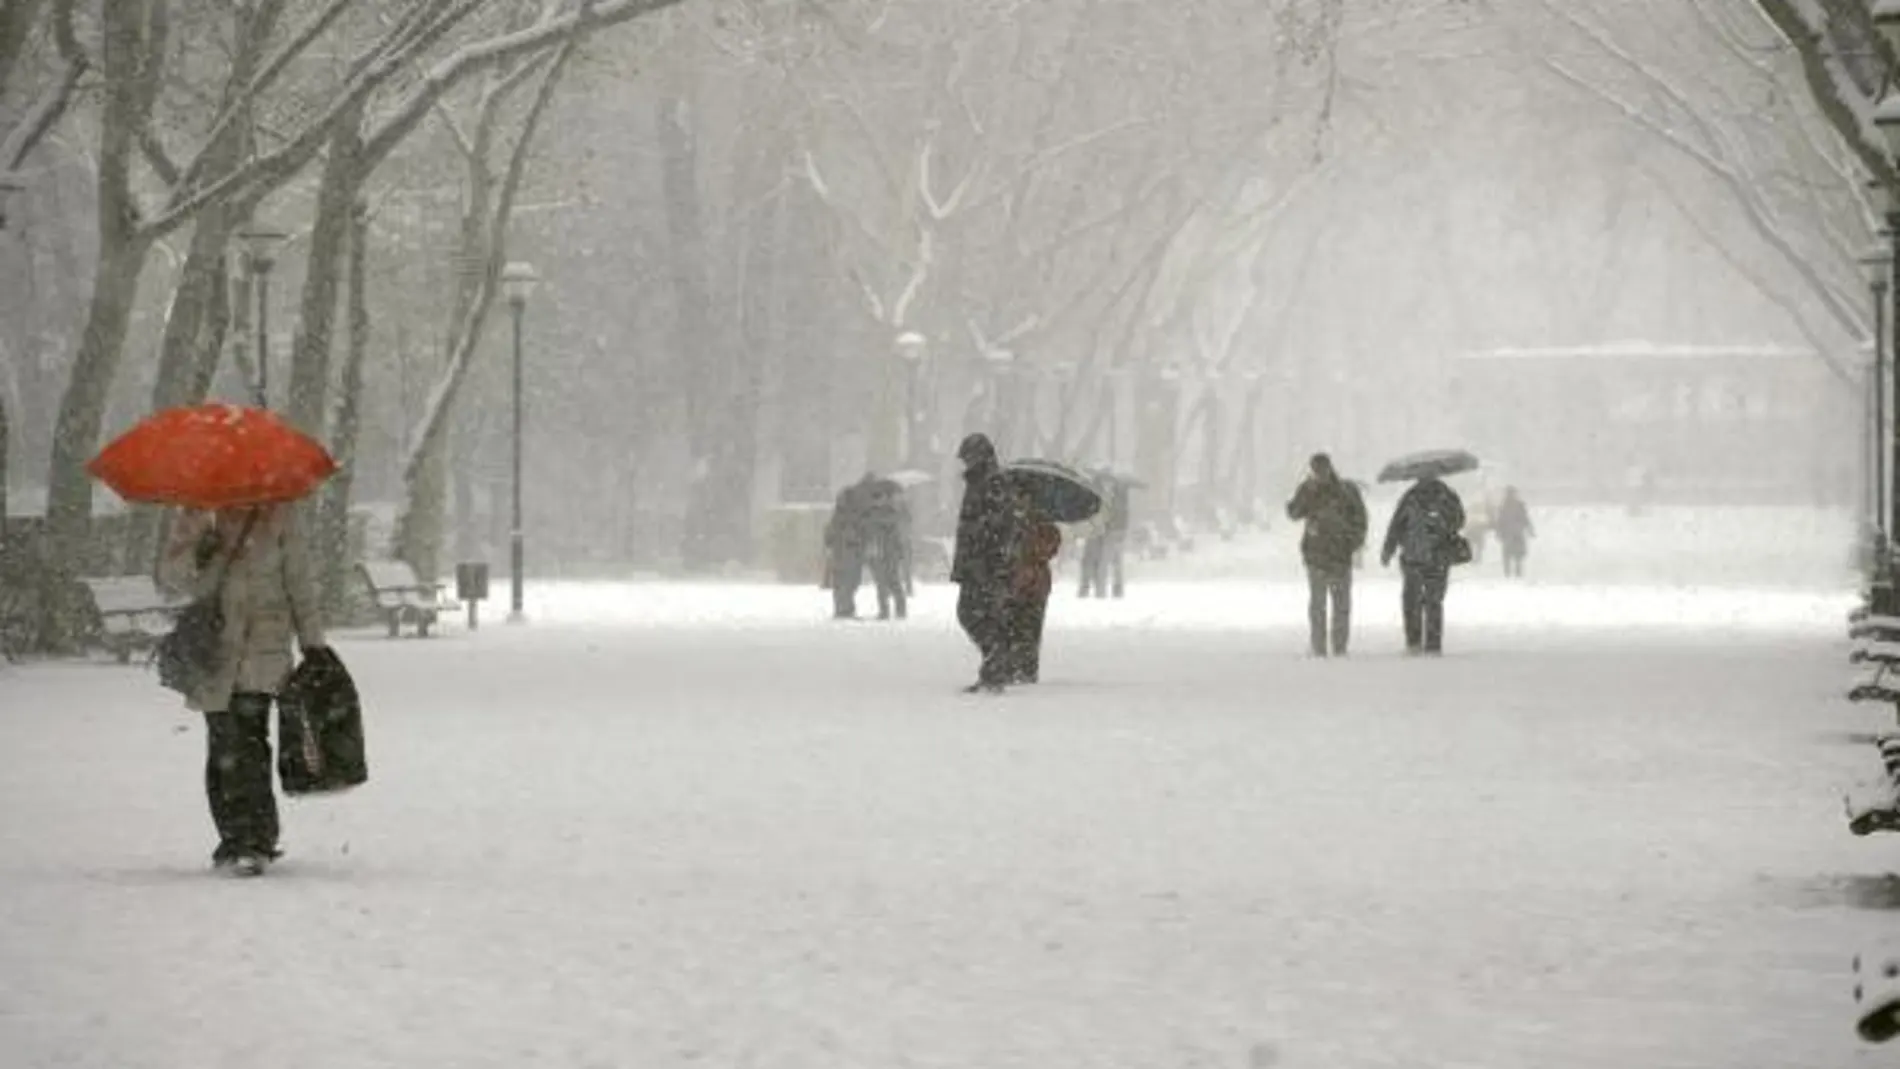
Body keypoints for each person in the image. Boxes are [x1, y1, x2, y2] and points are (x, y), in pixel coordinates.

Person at [158, 503, 327, 876]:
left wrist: (314, 645)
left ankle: (255, 839)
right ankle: (233, 837)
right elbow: (175, 582)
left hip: (262, 650)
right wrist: (192, 540)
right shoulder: (198, 515)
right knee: (221, 747)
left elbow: (300, 585)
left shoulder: (280, 517)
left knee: (247, 741)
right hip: (213, 651)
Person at [951, 434, 1020, 692]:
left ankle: (996, 665)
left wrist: (980, 539)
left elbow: (1000, 523)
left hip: (986, 562)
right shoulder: (979, 481)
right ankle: (994, 666)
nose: (965, 462)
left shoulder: (993, 482)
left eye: (969, 457)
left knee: (975, 614)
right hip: (976, 561)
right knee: (975, 614)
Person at [1285, 453, 1367, 657]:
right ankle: (1331, 646)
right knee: (1333, 604)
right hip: (1328, 554)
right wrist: (1352, 542)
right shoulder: (1342, 490)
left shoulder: (1342, 491)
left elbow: (1294, 513)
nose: (1320, 474)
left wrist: (1351, 542)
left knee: (1325, 604)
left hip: (1322, 553)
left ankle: (1326, 646)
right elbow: (1295, 513)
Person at [1380, 474, 1466, 656]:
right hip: (1426, 557)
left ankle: (1422, 643)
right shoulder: (1442, 496)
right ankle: (1422, 643)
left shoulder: (1416, 497)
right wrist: (1389, 548)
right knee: (1423, 602)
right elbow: (1397, 525)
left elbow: (1397, 525)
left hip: (1424, 556)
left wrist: (1389, 548)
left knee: (1424, 601)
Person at [1006, 491, 1062, 683]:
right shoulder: (1008, 520)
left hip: (1034, 584)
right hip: (1014, 583)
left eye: (1022, 497)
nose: (1019, 501)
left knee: (1031, 627)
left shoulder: (1044, 524)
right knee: (1012, 625)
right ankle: (1012, 666)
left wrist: (1028, 548)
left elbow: (1048, 549)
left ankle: (1027, 668)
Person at [823, 476, 871, 619]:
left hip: (843, 550)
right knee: (849, 581)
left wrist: (830, 545)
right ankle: (845, 609)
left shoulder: (840, 516)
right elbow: (861, 531)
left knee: (843, 581)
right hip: (850, 550)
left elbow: (830, 533)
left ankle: (842, 608)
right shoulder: (853, 516)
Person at [863, 480, 911, 620]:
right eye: (875, 499)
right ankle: (885, 611)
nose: (877, 501)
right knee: (881, 584)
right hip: (877, 552)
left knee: (892, 581)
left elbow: (895, 531)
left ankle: (899, 610)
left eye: (879, 498)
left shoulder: (889, 512)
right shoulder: (871, 514)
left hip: (889, 553)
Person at [1078, 478, 1129, 598]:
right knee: (1110, 563)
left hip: (1106, 533)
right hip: (1107, 533)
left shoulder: (1112, 501)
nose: (1108, 487)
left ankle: (1099, 590)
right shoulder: (1118, 502)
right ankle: (1110, 590)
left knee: (1101, 563)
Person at [1494, 486, 1534, 579]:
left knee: (1511, 554)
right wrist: (1530, 529)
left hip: (1511, 533)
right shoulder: (1511, 505)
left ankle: (1511, 573)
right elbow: (1525, 518)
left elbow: (1500, 520)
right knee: (1515, 554)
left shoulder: (1505, 505)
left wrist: (1498, 531)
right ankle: (1514, 573)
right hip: (1515, 532)